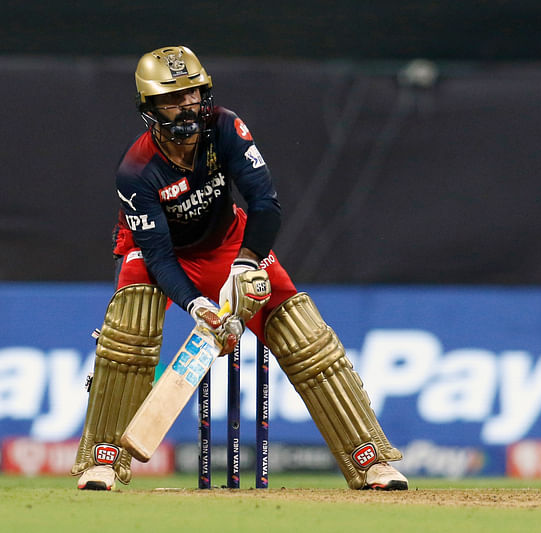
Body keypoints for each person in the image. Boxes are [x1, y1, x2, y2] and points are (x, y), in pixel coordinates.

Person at [71, 45, 408, 491]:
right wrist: (196, 307)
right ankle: (104, 460)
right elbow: (157, 257)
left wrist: (245, 265)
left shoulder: (225, 127)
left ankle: (370, 460)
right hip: (163, 252)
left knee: (306, 338)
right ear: (149, 107)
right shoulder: (136, 170)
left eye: (191, 95)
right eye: (172, 99)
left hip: (230, 242)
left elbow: (266, 203)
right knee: (129, 330)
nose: (185, 107)